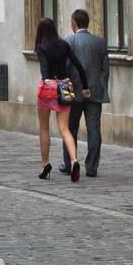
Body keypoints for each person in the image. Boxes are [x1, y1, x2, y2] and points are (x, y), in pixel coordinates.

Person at [35, 16, 88, 183]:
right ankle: (74, 161)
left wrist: (46, 79)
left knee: (44, 128)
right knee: (65, 129)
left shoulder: (41, 47)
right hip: (66, 86)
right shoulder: (64, 44)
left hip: (49, 87)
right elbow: (78, 66)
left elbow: (44, 70)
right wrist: (85, 87)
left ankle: (45, 164)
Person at [60, 9, 110, 178]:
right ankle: (92, 167)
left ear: (74, 24)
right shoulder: (100, 43)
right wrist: (100, 88)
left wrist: (65, 95)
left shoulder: (69, 42)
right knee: (94, 130)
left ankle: (69, 164)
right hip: (95, 92)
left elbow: (64, 70)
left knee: (70, 129)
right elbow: (105, 71)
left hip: (74, 93)